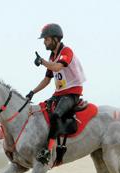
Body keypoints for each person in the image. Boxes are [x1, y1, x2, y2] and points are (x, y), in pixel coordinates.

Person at [25, 23, 86, 164]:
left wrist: (42, 61)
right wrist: (32, 92)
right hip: (59, 94)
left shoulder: (66, 52)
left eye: (46, 39)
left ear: (55, 39)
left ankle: (48, 150)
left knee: (56, 115)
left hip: (72, 93)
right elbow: (47, 80)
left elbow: (57, 67)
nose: (44, 43)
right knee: (42, 112)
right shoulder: (52, 57)